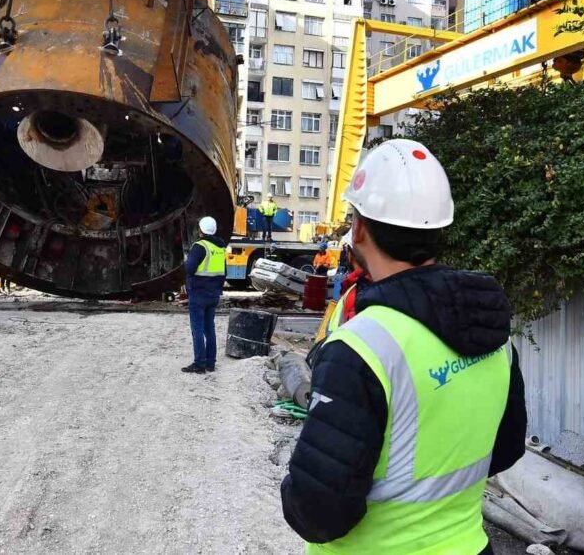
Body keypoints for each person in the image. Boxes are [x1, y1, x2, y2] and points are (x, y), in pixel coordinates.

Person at [281, 139, 527, 554]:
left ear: (359, 228)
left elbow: (318, 513)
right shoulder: (492, 333)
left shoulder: (361, 349)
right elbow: (505, 450)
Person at [182, 216, 227, 374]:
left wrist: (186, 262)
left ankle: (199, 364)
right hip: (213, 294)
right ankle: (210, 363)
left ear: (200, 230)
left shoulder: (200, 247)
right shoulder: (220, 248)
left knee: (198, 329)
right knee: (210, 329)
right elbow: (224, 272)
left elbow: (189, 268)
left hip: (199, 293)